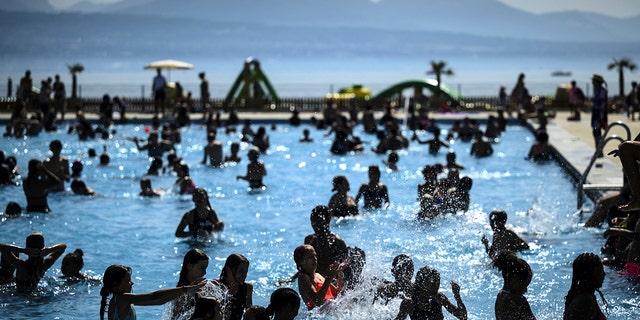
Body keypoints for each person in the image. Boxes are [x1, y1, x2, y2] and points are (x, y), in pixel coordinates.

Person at [99, 264, 206, 320]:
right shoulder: (122, 299)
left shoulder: (120, 301)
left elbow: (159, 301)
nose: (132, 283)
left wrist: (185, 291)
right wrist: (185, 289)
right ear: (116, 285)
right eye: (128, 280)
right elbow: (154, 297)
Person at [0, 232, 66, 292]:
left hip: (19, 296)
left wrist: (22, 250)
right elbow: (63, 247)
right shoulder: (45, 265)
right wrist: (49, 250)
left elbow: (2, 248)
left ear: (27, 248)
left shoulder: (21, 266)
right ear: (43, 247)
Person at [395, 266, 467, 320]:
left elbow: (463, 316)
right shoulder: (409, 304)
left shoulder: (439, 298)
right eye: (432, 284)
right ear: (421, 284)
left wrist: (457, 296)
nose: (436, 287)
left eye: (438, 283)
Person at [293, 244, 344, 310]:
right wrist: (329, 277)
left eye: (315, 255)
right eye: (310, 257)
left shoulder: (318, 275)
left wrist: (340, 272)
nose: (314, 258)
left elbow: (338, 294)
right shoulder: (303, 277)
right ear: (301, 262)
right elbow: (317, 301)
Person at [492, 250, 536, 320]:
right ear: (515, 280)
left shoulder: (500, 296)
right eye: (524, 286)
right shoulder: (519, 301)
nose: (526, 290)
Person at [563, 253, 607, 320]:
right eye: (600, 270)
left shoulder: (583, 294)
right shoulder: (585, 300)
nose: (604, 274)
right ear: (589, 274)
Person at [211, 254, 253, 320]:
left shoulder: (247, 288)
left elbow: (250, 315)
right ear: (228, 270)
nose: (244, 275)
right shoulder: (215, 285)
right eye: (241, 271)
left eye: (246, 271)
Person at [171, 248, 210, 320]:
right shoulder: (181, 292)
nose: (205, 272)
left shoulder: (198, 286)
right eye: (202, 268)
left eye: (205, 269)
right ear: (189, 266)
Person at [591, 74, 608, 155]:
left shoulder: (601, 91)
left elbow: (602, 105)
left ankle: (599, 150)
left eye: (593, 81)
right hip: (595, 113)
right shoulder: (596, 89)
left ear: (597, 82)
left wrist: (600, 117)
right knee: (596, 132)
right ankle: (598, 149)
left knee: (597, 132)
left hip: (599, 114)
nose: (592, 82)